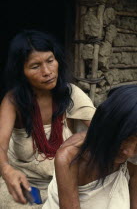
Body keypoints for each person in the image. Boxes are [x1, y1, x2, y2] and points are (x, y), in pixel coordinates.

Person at [0, 30, 96, 208]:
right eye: (35, 66)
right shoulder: (13, 101)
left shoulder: (71, 94)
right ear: (21, 72)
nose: (47, 71)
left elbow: (103, 130)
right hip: (25, 185)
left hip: (65, 183)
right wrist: (7, 170)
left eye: (50, 61)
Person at [42, 85, 137, 209]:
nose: (128, 152)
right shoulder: (71, 156)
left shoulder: (131, 163)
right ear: (109, 126)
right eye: (125, 139)